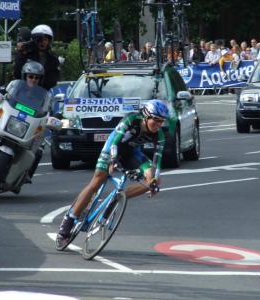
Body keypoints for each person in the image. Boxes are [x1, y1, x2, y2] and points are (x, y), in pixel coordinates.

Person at [55, 100, 169, 249]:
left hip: (131, 153)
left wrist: (153, 181)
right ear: (146, 116)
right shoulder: (131, 119)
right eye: (156, 120)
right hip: (113, 147)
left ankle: (119, 197)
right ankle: (68, 222)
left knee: (154, 180)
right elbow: (115, 140)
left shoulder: (159, 135)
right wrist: (113, 160)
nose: (159, 125)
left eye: (162, 121)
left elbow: (156, 162)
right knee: (98, 180)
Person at [13, 24, 60, 90]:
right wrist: (22, 54)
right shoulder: (26, 54)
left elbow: (53, 80)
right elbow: (17, 73)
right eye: (40, 40)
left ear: (49, 41)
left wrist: (41, 83)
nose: (43, 42)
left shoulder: (53, 59)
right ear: (35, 40)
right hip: (23, 92)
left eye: (45, 40)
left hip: (42, 94)